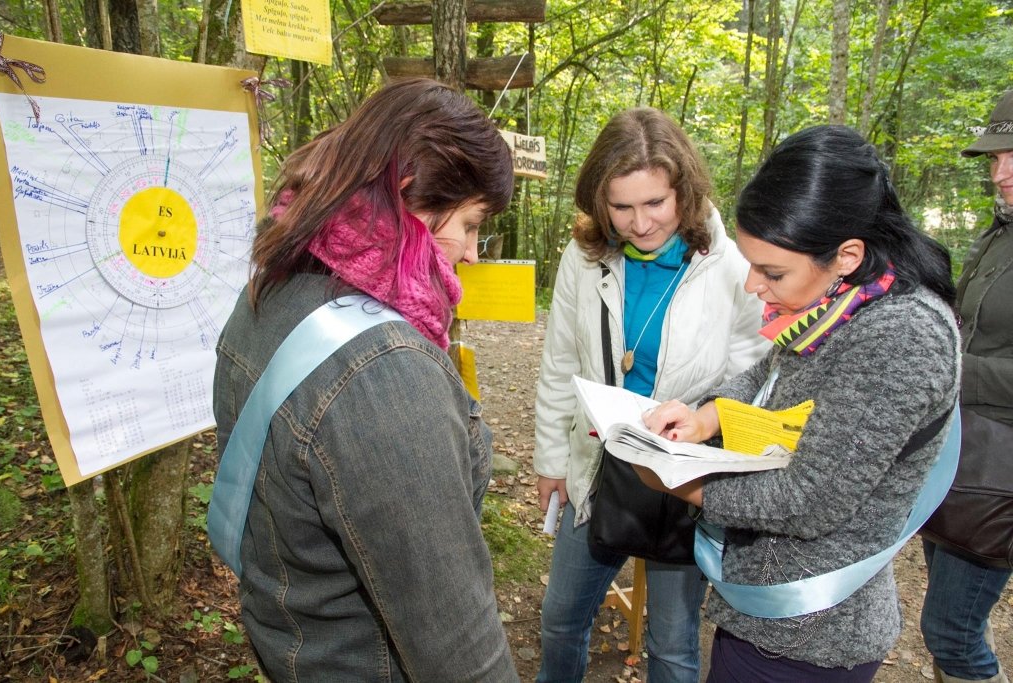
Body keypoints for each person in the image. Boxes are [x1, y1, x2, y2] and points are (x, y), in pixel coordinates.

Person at [211, 78, 518, 682]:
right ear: (412, 197)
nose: (475, 252)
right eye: (473, 222)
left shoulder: (274, 287)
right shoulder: (385, 371)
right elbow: (456, 645)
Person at [639, 125, 960, 681]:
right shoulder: (840, 301)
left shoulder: (899, 334)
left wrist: (678, 481)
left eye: (772, 272)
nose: (752, 287)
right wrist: (705, 416)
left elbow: (813, 499)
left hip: (810, 630)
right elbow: (773, 374)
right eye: (751, 266)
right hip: (769, 611)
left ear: (846, 254)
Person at [533, 107, 767, 683]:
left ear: (683, 193)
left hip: (682, 479)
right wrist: (551, 461)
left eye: (655, 204)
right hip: (599, 466)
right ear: (598, 203)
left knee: (673, 646)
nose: (640, 224)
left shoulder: (729, 263)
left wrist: (703, 422)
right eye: (622, 207)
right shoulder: (583, 259)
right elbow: (562, 362)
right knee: (560, 620)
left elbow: (754, 371)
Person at [920, 90, 1013, 683]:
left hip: (1001, 470)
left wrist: (949, 366)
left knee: (950, 632)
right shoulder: (997, 234)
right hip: (962, 459)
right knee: (953, 625)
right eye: (995, 158)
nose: (1000, 174)